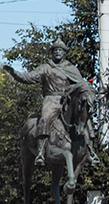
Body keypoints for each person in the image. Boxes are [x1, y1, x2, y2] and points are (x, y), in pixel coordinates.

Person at [3, 39, 91, 167]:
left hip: (67, 100)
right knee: (45, 119)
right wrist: (14, 73)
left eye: (60, 50)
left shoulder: (71, 68)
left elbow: (80, 84)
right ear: (52, 52)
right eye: (55, 50)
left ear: (64, 52)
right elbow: (29, 77)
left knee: (84, 116)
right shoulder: (45, 68)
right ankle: (40, 152)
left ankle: (90, 151)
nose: (58, 52)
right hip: (51, 100)